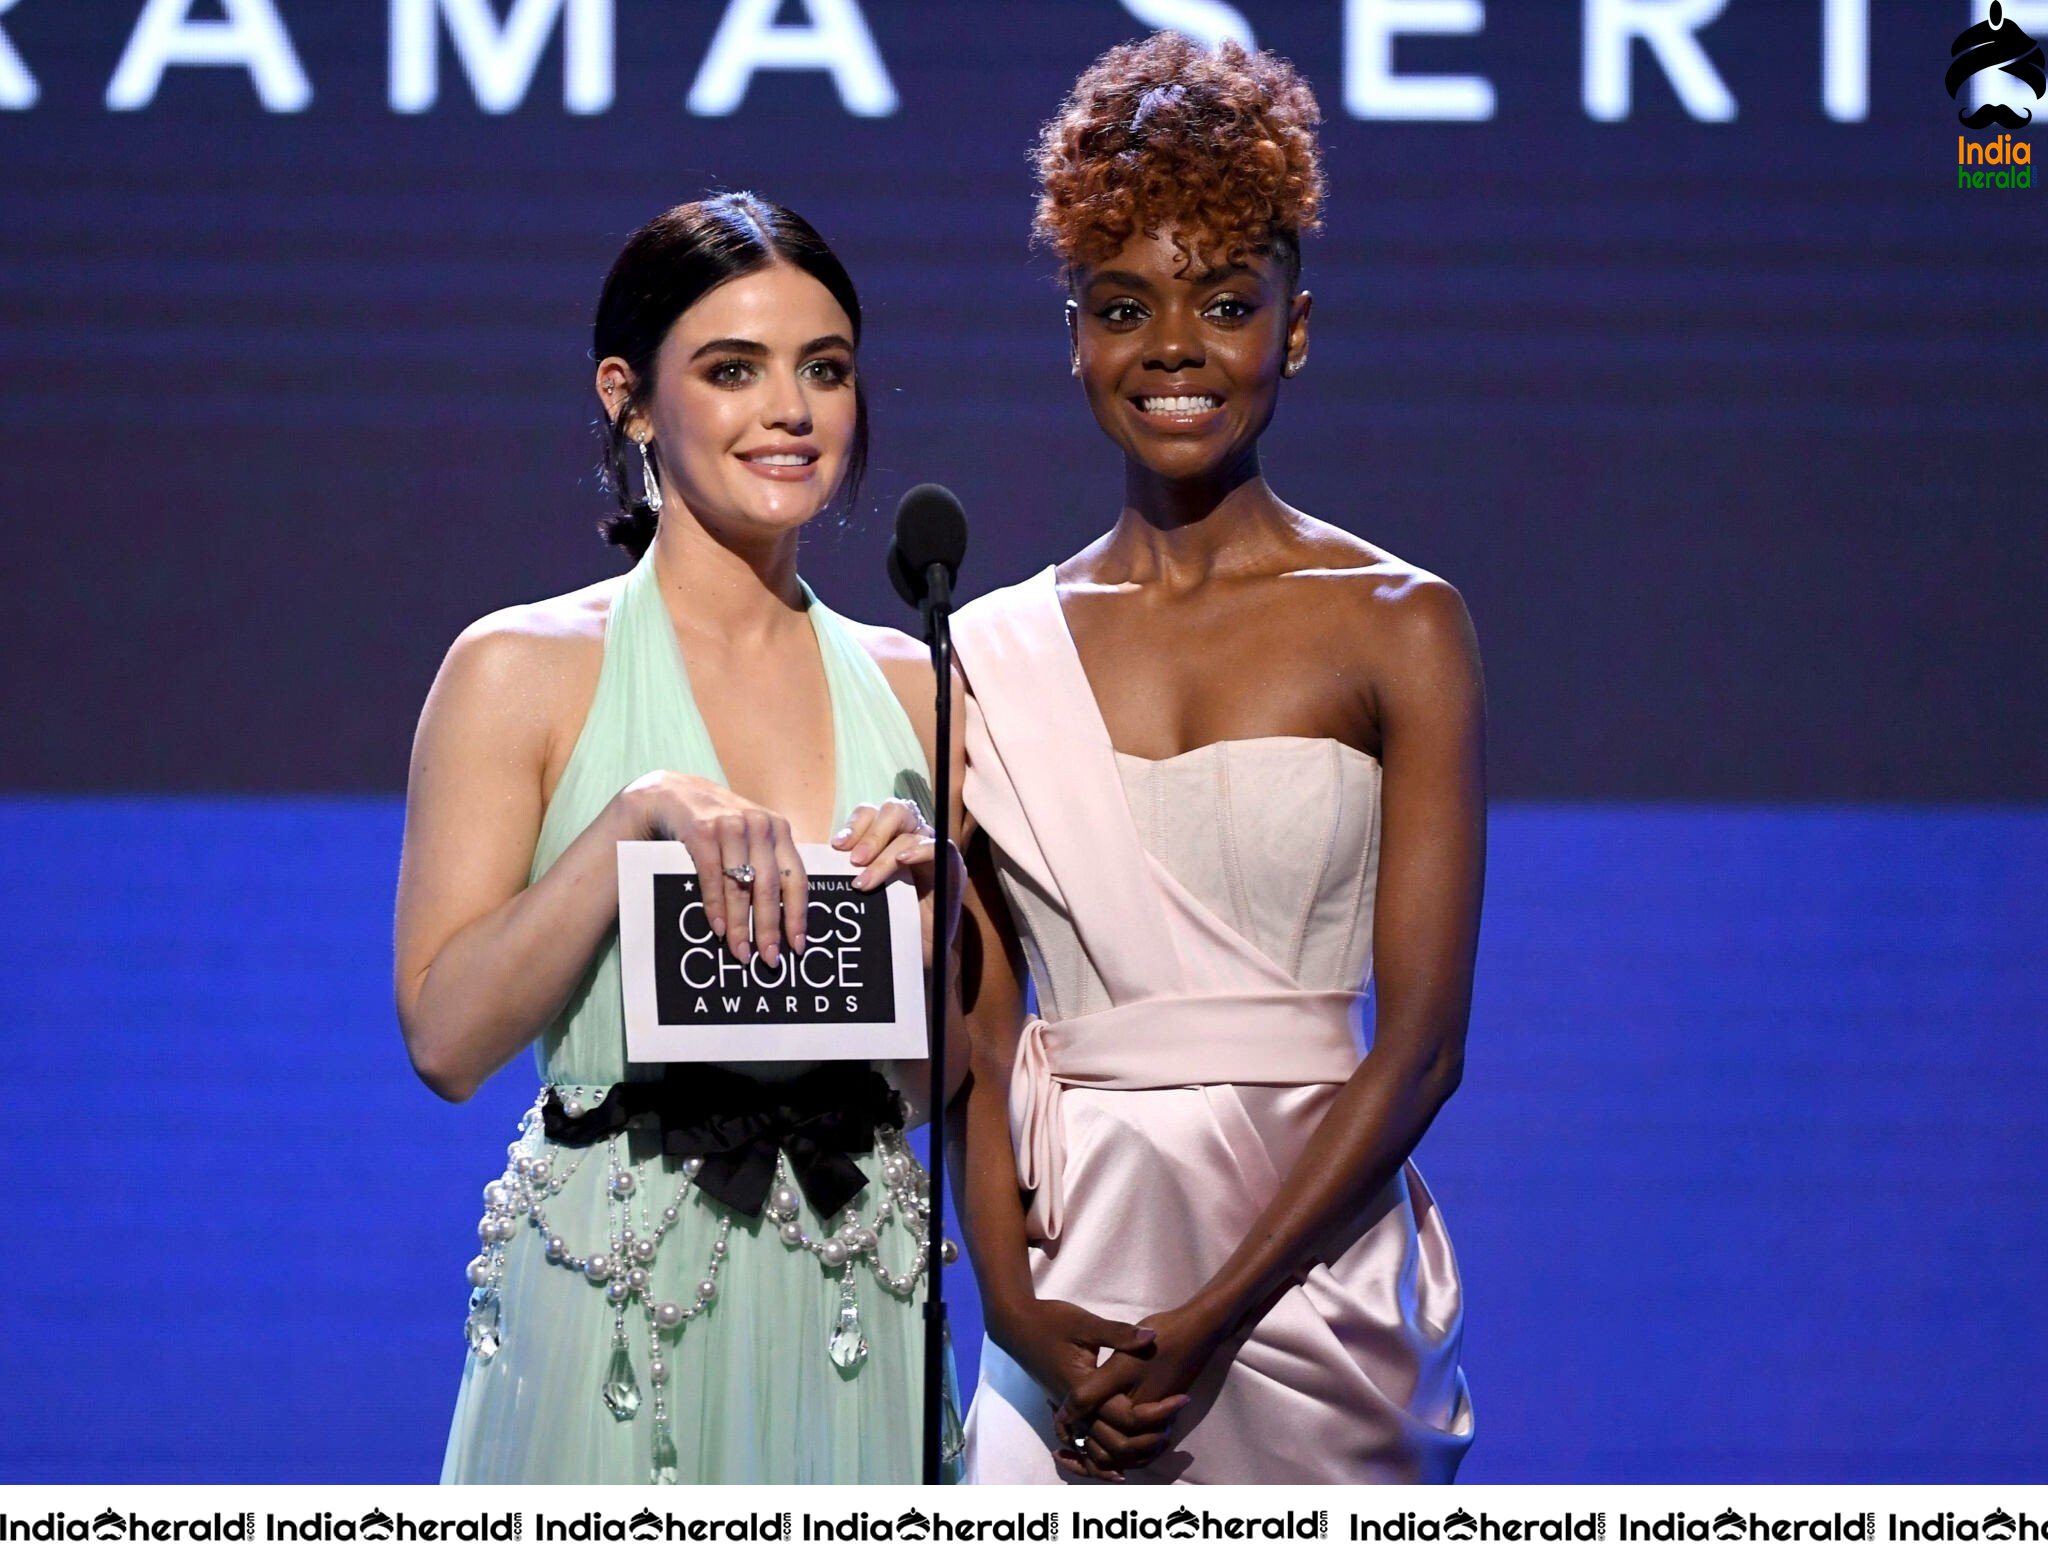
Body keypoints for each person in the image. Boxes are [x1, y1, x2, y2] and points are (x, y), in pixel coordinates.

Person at [952, 35, 1481, 1483]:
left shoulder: (1401, 624)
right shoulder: (993, 653)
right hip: (1068, 1295)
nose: (1175, 348)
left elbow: (1424, 1045)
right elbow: (983, 1040)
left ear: (1295, 329)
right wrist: (1013, 1305)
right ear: (1074, 331)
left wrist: (1210, 1321)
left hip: (1307, 1300)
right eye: (1125, 307)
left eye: (1227, 304)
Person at [394, 193, 962, 1484]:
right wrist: (627, 826)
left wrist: (943, 925)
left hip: (852, 1293)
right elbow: (444, 1038)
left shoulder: (920, 683)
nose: (792, 410)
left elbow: (940, 1092)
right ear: (629, 397)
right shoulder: (519, 667)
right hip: (613, 1297)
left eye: (825, 369)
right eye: (731, 369)